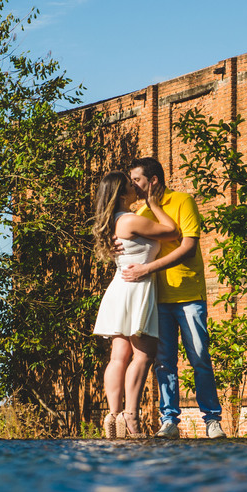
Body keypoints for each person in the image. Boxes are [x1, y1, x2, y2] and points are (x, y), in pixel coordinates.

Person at [121, 157, 224, 438]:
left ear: (153, 180)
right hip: (156, 297)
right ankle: (169, 420)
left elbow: (188, 247)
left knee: (199, 357)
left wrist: (147, 268)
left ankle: (211, 420)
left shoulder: (182, 201)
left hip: (188, 294)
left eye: (137, 180)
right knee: (164, 361)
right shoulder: (139, 212)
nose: (134, 186)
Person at [92, 170, 178, 438]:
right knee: (142, 355)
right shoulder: (130, 220)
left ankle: (113, 416)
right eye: (130, 185)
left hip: (120, 288)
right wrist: (153, 205)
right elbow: (173, 231)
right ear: (121, 194)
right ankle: (131, 417)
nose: (135, 188)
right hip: (136, 287)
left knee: (118, 356)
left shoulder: (114, 222)